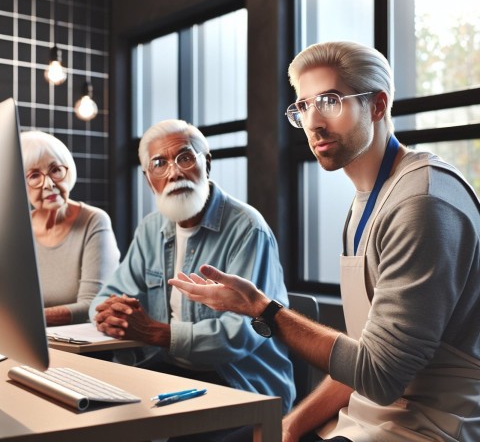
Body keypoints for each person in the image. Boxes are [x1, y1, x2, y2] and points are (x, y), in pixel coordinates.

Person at [169, 41, 480, 442]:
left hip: (430, 427)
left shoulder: (421, 202)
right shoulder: (363, 204)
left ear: (378, 105)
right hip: (368, 418)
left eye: (330, 101)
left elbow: (379, 374)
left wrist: (263, 310)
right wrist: (291, 424)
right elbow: (365, 353)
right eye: (303, 106)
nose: (313, 122)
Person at [89, 119, 295, 421]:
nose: (174, 172)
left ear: (207, 163)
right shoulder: (150, 228)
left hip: (240, 383)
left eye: (184, 157)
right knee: (100, 416)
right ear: (149, 180)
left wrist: (158, 333)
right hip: (171, 372)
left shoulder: (248, 229)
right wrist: (110, 313)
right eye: (159, 163)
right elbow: (107, 295)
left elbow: (245, 332)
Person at [20, 130, 120, 326]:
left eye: (55, 170)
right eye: (34, 176)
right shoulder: (17, 229)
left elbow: (93, 304)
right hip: (30, 340)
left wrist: (28, 319)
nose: (48, 184)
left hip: (79, 346)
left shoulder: (94, 221)